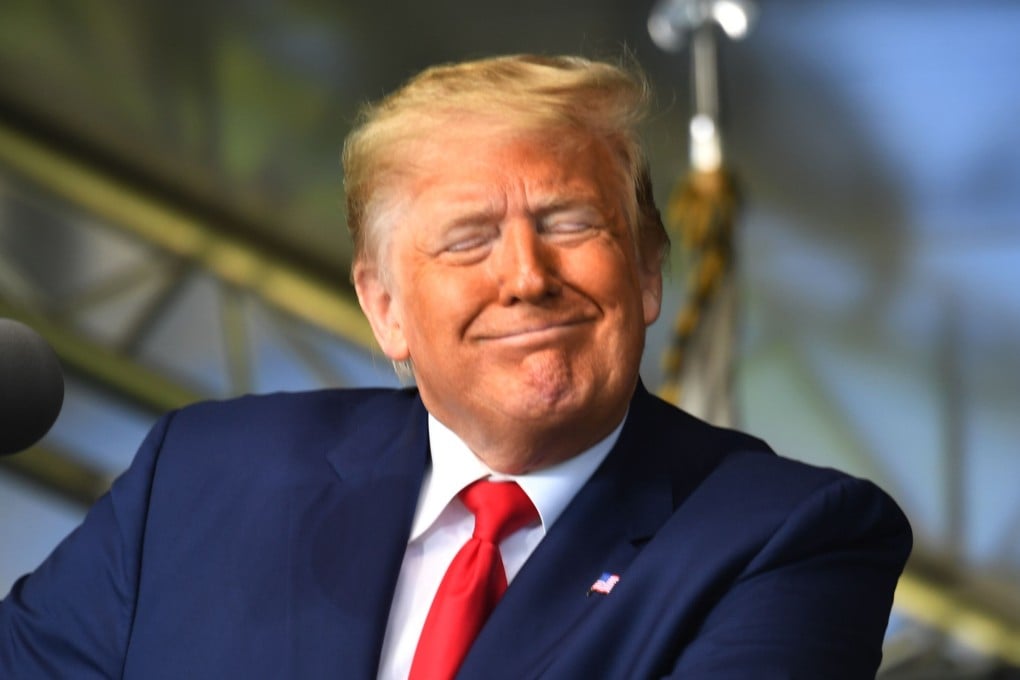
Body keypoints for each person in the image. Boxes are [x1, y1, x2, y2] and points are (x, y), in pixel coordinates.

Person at [0, 54, 911, 679]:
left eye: (569, 223)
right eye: (469, 240)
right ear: (385, 308)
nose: (525, 277)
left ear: (646, 272)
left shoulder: (790, 537)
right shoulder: (201, 474)